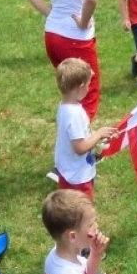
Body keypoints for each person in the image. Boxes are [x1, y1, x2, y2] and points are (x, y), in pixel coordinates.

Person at [53, 59, 117, 199]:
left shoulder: (64, 106)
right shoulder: (74, 114)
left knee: (70, 210)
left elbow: (76, 136)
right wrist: (99, 133)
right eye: (88, 85)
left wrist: (96, 137)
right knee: (82, 212)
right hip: (77, 176)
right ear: (80, 88)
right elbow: (80, 148)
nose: (89, 88)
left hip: (68, 170)